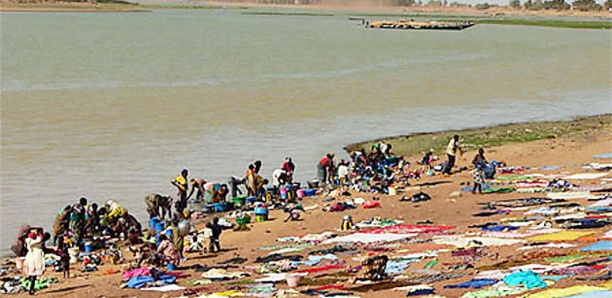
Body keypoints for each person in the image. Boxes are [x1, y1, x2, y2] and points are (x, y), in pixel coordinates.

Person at [23, 228, 45, 295]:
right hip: (36, 256)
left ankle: (31, 288)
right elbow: (41, 238)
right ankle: (31, 289)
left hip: (30, 256)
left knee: (32, 272)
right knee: (34, 274)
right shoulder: (38, 240)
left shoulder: (28, 240)